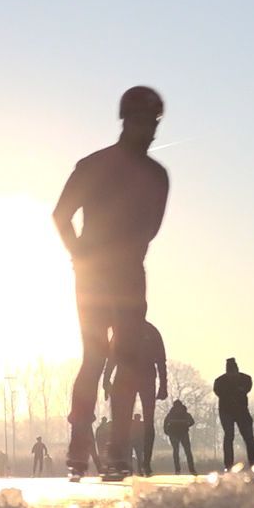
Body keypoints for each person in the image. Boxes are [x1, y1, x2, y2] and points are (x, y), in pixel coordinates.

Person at [53, 86, 169, 480]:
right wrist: (81, 255)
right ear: (127, 121)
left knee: (119, 361)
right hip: (108, 274)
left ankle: (107, 448)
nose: (151, 131)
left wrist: (82, 255)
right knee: (102, 358)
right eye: (145, 123)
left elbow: (150, 228)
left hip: (110, 275)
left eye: (155, 124)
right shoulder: (107, 168)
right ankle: (87, 445)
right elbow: (60, 214)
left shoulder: (148, 174)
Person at [101, 319, 168, 476]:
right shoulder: (148, 331)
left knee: (136, 422)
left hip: (138, 378)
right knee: (126, 421)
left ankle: (143, 463)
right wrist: (106, 381)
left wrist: (164, 385)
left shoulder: (147, 331)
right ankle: (126, 462)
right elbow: (111, 358)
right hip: (132, 378)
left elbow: (160, 360)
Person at [213, 357, 254, 469]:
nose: (232, 375)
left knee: (248, 438)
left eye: (233, 372)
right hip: (226, 411)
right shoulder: (220, 381)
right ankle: (228, 465)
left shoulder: (246, 379)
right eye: (230, 373)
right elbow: (219, 392)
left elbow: (246, 389)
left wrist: (232, 392)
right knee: (229, 436)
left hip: (241, 411)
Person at [162, 398, 196, 474]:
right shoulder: (185, 413)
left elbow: (165, 423)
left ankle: (178, 469)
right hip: (182, 433)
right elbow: (192, 422)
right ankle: (191, 469)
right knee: (186, 451)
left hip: (175, 434)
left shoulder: (171, 414)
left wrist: (167, 431)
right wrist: (186, 425)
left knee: (177, 451)